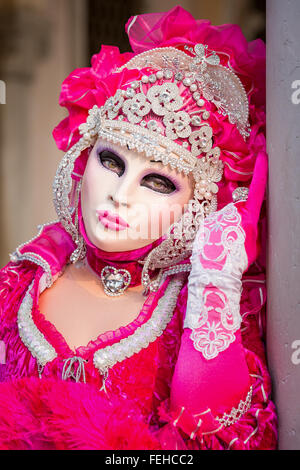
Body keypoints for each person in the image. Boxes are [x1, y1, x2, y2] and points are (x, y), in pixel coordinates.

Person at [0, 6, 277, 450]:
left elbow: (217, 438)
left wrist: (214, 281)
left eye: (158, 182)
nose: (120, 194)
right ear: (83, 153)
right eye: (111, 161)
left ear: (201, 202)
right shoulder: (19, 284)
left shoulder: (195, 309)